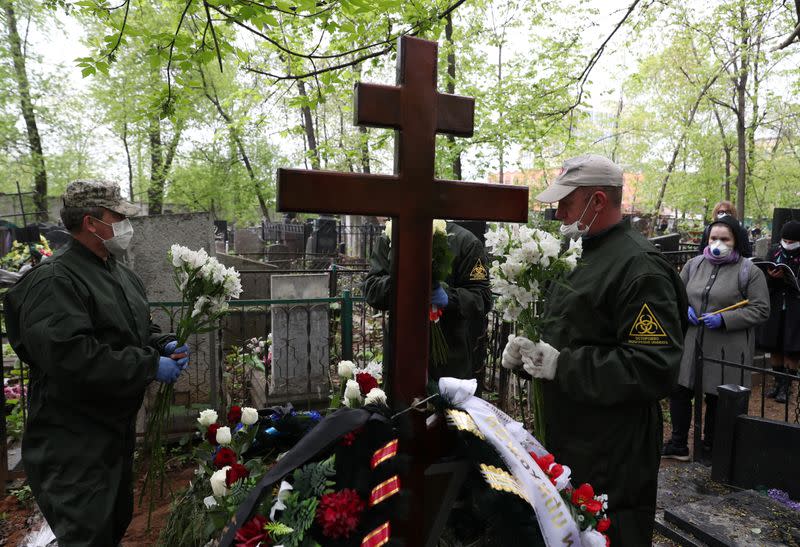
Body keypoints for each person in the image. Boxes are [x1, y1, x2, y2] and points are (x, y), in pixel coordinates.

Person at [501, 154, 688, 546]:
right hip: (568, 432)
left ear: (598, 200)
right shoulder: (577, 253)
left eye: (567, 201)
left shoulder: (640, 267)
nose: (559, 211)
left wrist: (562, 365)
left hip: (613, 451)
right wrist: (527, 357)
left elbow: (653, 366)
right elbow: (567, 332)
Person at [3, 179, 190, 547]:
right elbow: (72, 357)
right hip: (73, 438)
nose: (125, 225)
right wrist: (148, 366)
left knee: (114, 520)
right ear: (91, 222)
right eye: (118, 216)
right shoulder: (55, 280)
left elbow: (133, 326)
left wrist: (161, 342)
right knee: (86, 532)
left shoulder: (117, 273)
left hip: (111, 431)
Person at [663, 215, 769, 462]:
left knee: (716, 396)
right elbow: (677, 295)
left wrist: (725, 320)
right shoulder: (694, 264)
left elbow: (761, 309)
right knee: (680, 390)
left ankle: (710, 447)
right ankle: (678, 444)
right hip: (692, 342)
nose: (717, 243)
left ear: (736, 241)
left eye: (724, 238)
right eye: (713, 238)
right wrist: (683, 308)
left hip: (726, 347)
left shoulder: (749, 272)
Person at [364, 220, 492, 383]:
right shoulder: (391, 236)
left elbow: (482, 298)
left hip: (451, 356)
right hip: (402, 353)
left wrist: (449, 297)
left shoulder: (466, 241)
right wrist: (401, 281)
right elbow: (372, 290)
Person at [757, 220, 800, 403]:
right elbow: (765, 279)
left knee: (791, 347)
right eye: (785, 240)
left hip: (795, 306)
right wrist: (771, 277)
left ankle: (787, 386)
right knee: (774, 344)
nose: (787, 244)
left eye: (792, 241)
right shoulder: (774, 251)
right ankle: (777, 383)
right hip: (775, 304)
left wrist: (790, 278)